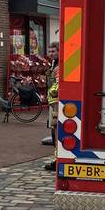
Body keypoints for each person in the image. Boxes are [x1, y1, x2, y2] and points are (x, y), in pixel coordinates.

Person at [44, 42, 59, 171]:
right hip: (53, 103)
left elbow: (57, 86)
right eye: (49, 51)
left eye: (53, 51)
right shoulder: (54, 64)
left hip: (56, 104)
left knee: (56, 131)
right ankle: (56, 158)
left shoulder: (59, 66)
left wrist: (51, 94)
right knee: (54, 131)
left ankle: (57, 159)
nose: (51, 54)